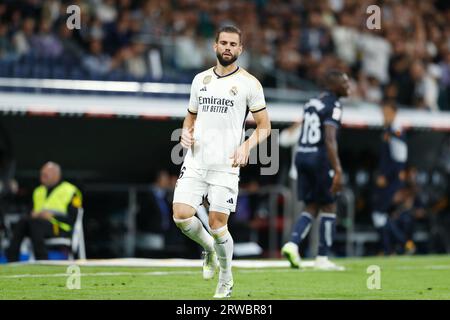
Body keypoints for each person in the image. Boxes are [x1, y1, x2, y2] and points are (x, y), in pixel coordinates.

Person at [172, 25, 271, 298]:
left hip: (226, 164)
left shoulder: (250, 83)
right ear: (215, 46)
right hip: (196, 160)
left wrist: (247, 146)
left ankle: (225, 280)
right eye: (223, 43)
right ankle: (207, 249)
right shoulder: (200, 80)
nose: (228, 48)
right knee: (181, 216)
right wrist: (185, 132)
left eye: (233, 44)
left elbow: (264, 126)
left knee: (217, 224)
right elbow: (190, 116)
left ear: (240, 49)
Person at [281, 70, 350, 270]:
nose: (348, 86)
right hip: (319, 159)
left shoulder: (311, 102)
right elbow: (329, 138)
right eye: (345, 82)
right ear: (333, 84)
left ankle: (292, 244)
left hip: (302, 156)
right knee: (329, 206)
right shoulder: (334, 105)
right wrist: (337, 169)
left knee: (311, 205)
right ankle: (322, 258)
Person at [6, 162, 82, 262]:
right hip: (38, 226)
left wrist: (52, 216)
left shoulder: (71, 190)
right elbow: (30, 211)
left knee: (35, 224)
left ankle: (42, 260)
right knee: (23, 221)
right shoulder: (38, 191)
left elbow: (72, 218)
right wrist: (33, 214)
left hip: (60, 227)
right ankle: (12, 260)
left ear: (56, 175)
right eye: (41, 174)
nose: (42, 177)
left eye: (45, 175)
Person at [371, 101, 408, 255]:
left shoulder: (396, 130)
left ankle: (402, 244)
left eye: (386, 112)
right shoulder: (388, 130)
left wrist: (387, 176)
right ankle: (390, 248)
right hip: (387, 179)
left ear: (394, 112)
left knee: (379, 214)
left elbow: (400, 158)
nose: (384, 116)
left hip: (391, 180)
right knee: (381, 215)